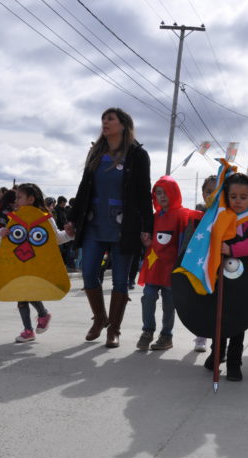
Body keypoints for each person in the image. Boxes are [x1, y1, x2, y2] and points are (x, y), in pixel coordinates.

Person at [66, 107, 154, 348]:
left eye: (110, 119)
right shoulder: (95, 152)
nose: (105, 122)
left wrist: (148, 225)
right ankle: (100, 318)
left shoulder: (137, 155)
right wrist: (73, 218)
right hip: (94, 222)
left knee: (119, 280)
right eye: (103, 119)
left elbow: (143, 193)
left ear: (123, 125)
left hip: (124, 226)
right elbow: (83, 188)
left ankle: (113, 329)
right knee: (89, 271)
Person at [201, 173, 248, 381]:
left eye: (243, 197)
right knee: (218, 316)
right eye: (233, 196)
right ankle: (217, 353)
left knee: (238, 321)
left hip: (243, 280)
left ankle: (235, 362)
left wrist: (232, 248)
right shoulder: (219, 217)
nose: (237, 201)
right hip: (220, 277)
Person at [0, 183, 75, 342]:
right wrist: (1, 234)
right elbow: (9, 240)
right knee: (22, 295)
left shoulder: (45, 218)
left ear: (31, 199)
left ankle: (37, 320)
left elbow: (57, 238)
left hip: (36, 264)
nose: (16, 200)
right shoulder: (15, 217)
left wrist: (69, 235)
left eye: (19, 197)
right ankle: (33, 325)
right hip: (19, 263)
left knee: (27, 293)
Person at [136, 176, 201, 352]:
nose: (162, 196)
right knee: (148, 297)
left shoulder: (183, 214)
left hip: (172, 270)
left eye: (166, 192)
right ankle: (147, 331)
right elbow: (150, 237)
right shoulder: (153, 217)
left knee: (169, 304)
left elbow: (201, 218)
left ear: (174, 193)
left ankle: (166, 336)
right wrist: (146, 241)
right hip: (154, 267)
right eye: (158, 193)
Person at [190, 175, 217, 353]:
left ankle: (217, 340)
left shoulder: (226, 213)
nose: (212, 195)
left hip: (217, 263)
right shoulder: (197, 213)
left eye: (216, 191)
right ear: (202, 193)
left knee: (215, 303)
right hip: (199, 263)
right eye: (208, 191)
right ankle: (201, 336)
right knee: (199, 301)